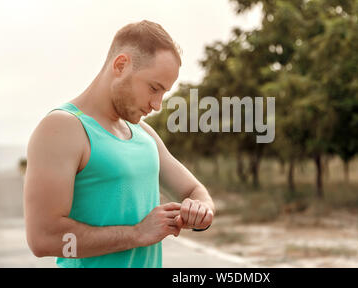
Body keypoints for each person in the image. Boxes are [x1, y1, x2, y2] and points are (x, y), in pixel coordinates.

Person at [23, 20, 215, 268]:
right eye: (154, 88)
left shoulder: (143, 132)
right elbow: (42, 239)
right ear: (121, 65)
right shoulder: (62, 128)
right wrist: (136, 234)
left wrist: (200, 211)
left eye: (163, 93)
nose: (157, 104)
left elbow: (195, 191)